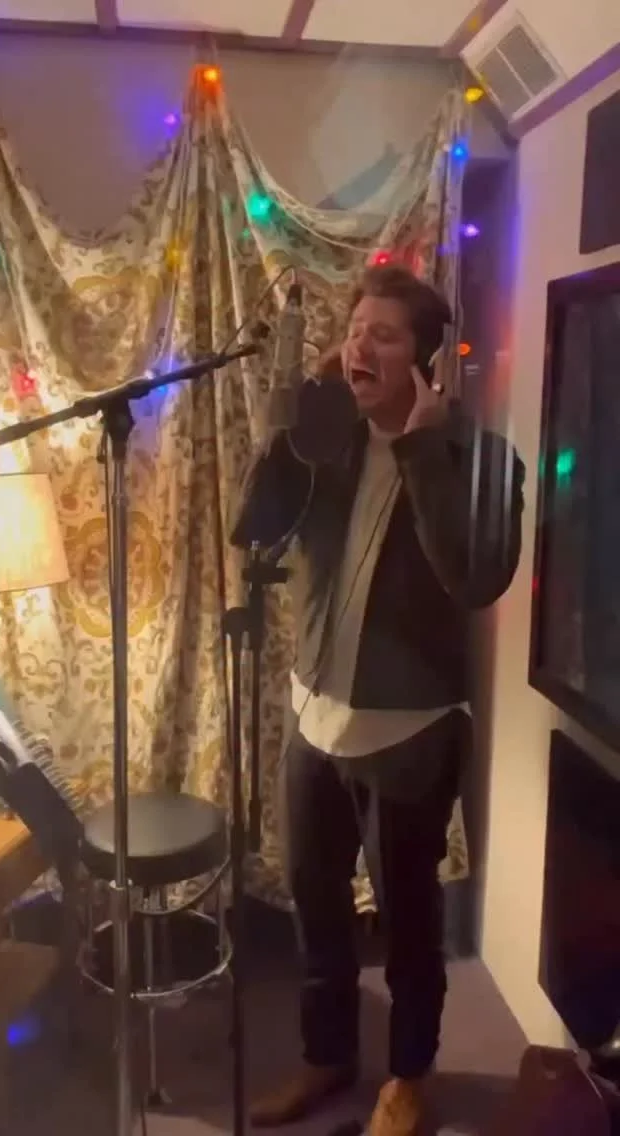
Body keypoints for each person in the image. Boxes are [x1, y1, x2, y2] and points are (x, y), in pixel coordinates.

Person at [231, 263, 524, 1136]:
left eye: (383, 335)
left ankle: (408, 1079)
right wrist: (296, 422)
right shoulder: (330, 444)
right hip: (313, 721)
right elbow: (255, 525)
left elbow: (476, 577)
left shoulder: (478, 459)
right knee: (317, 909)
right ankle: (327, 1058)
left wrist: (422, 452)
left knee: (408, 924)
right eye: (355, 328)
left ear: (425, 364)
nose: (359, 343)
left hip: (409, 735)